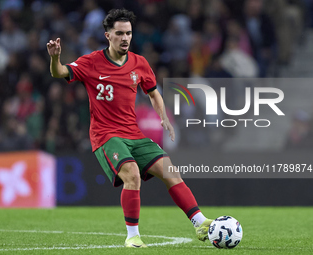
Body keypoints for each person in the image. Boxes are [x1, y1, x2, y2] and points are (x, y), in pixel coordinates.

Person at [47, 8, 212, 248]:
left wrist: (163, 117)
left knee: (170, 172)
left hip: (133, 134)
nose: (125, 38)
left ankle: (200, 222)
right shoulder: (91, 62)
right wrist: (55, 58)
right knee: (132, 175)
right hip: (106, 135)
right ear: (108, 35)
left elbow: (154, 92)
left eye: (129, 33)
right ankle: (132, 236)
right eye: (120, 33)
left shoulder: (140, 63)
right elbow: (59, 72)